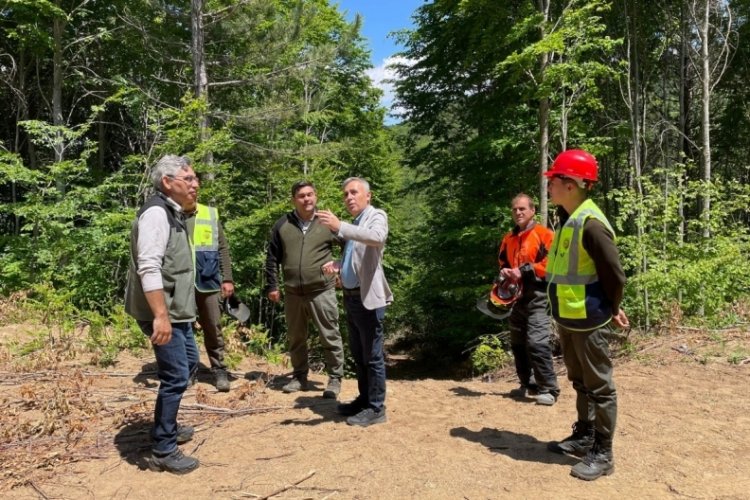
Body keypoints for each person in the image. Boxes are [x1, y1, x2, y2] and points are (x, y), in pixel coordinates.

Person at [543, 149, 629, 481]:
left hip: (591, 319)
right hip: (568, 318)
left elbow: (615, 275)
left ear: (572, 184)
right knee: (580, 382)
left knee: (600, 387)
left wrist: (614, 308)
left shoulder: (591, 225)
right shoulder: (568, 219)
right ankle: (584, 435)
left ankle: (603, 453)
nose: (550, 186)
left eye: (554, 180)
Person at [124, 155, 201, 474]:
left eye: (196, 178)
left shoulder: (174, 212)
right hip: (163, 310)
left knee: (190, 362)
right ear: (168, 182)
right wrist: (161, 316)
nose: (196, 184)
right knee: (176, 375)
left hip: (176, 309)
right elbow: (149, 267)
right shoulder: (157, 213)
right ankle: (163, 449)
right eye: (189, 178)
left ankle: (166, 427)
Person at [318, 177, 393, 427]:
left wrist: (340, 226)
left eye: (354, 192)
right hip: (351, 297)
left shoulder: (376, 216)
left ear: (367, 196)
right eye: (346, 194)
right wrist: (339, 266)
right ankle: (364, 400)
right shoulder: (356, 224)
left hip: (368, 299)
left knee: (372, 355)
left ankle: (376, 407)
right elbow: (357, 257)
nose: (349, 197)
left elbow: (377, 238)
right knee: (359, 354)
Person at [265, 181, 345, 399]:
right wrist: (272, 285)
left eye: (310, 194)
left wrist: (342, 269)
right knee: (296, 337)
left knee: (329, 334)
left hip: (322, 290)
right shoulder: (283, 224)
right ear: (294, 199)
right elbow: (272, 257)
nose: (307, 199)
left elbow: (350, 245)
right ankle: (300, 377)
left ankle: (335, 378)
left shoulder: (328, 222)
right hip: (292, 293)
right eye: (301, 196)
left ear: (316, 196)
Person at [498, 193, 559, 405]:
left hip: (537, 296)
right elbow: (503, 263)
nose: (518, 212)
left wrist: (523, 271)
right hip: (514, 298)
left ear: (532, 211)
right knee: (517, 343)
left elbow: (553, 264)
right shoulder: (509, 238)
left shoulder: (544, 234)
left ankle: (549, 389)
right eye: (515, 209)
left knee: (537, 343)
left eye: (522, 209)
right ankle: (527, 384)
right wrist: (504, 275)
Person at [182, 175, 235, 393]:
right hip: (181, 281)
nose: (194, 190)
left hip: (208, 279)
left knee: (213, 325)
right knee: (183, 328)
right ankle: (187, 370)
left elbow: (222, 248)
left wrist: (228, 278)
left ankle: (219, 369)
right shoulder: (170, 214)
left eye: (196, 188)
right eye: (189, 187)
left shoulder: (209, 214)